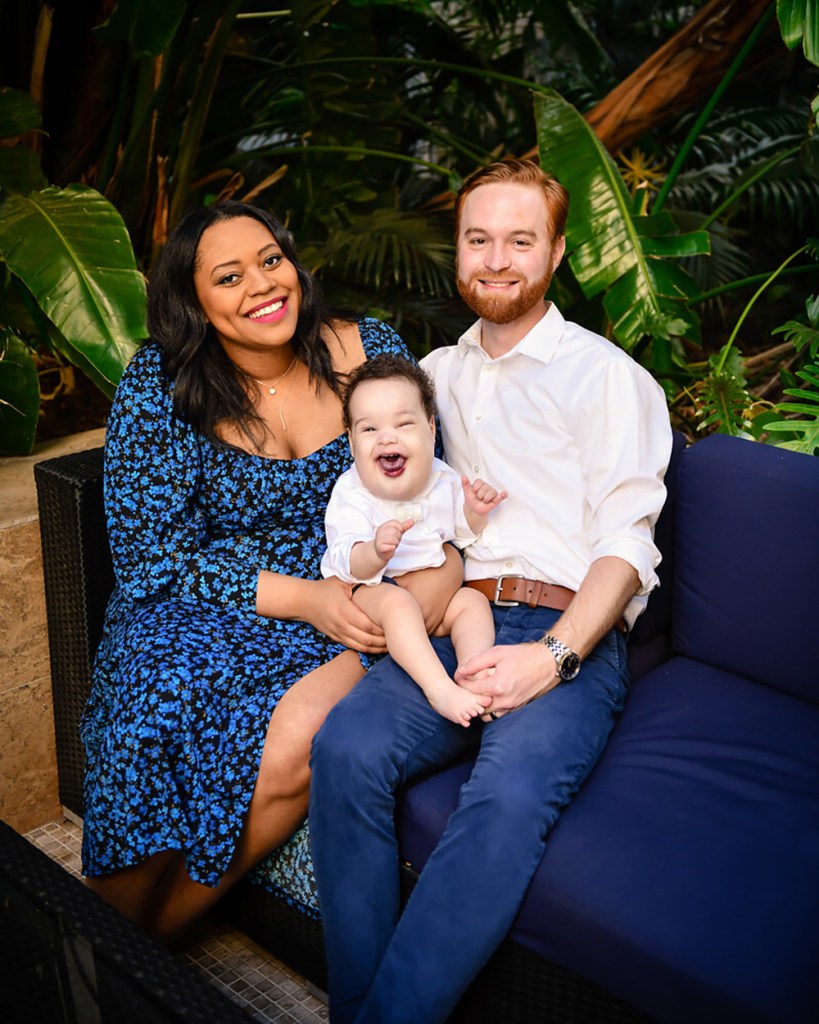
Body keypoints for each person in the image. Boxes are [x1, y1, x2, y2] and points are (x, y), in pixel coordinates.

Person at [309, 157, 673, 1023]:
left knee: (505, 798)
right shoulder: (435, 376)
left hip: (565, 623)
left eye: (520, 240)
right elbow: (380, 462)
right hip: (454, 617)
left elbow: (627, 543)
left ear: (554, 253)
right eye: (479, 239)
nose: (496, 259)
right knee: (345, 750)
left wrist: (551, 658)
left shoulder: (607, 378)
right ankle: (357, 1007)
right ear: (457, 249)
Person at [79, 200, 463, 943]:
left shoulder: (368, 351)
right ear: (195, 302)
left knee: (292, 748)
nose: (261, 285)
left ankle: (137, 953)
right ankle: (101, 950)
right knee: (155, 714)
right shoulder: (160, 383)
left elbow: (428, 489)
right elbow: (150, 556)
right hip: (198, 599)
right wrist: (306, 600)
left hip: (347, 590)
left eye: (270, 260)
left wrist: (389, 592)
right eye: (228, 276)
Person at [321, 354, 507, 726]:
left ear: (431, 429)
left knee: (471, 602)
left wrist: (474, 511)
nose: (387, 436)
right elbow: (345, 559)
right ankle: (438, 688)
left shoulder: (444, 479)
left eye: (404, 424)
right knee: (398, 605)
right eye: (369, 430)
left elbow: (462, 532)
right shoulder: (353, 493)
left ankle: (475, 672)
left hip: (438, 596)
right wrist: (373, 551)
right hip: (374, 590)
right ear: (352, 443)